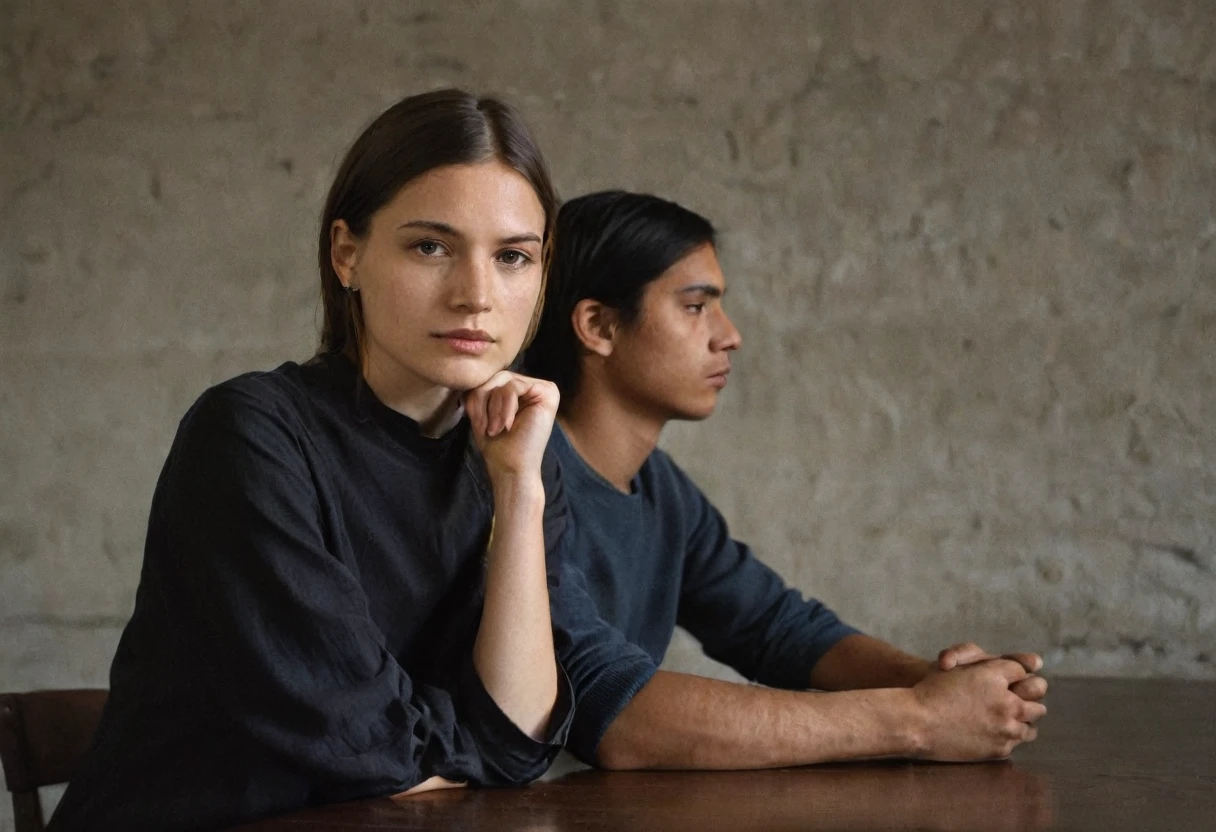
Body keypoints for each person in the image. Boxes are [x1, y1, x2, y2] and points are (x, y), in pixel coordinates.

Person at [50, 89, 575, 831]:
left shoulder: (517, 456)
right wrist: (469, 750)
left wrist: (519, 490)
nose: (477, 296)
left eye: (514, 257)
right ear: (347, 253)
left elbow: (517, 746)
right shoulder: (252, 437)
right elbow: (374, 749)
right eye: (431, 247)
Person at [525, 190, 1049, 770]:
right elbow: (616, 716)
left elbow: (773, 627)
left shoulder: (660, 488)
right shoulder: (519, 475)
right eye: (697, 306)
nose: (730, 336)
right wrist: (919, 719)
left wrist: (944, 682)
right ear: (598, 325)